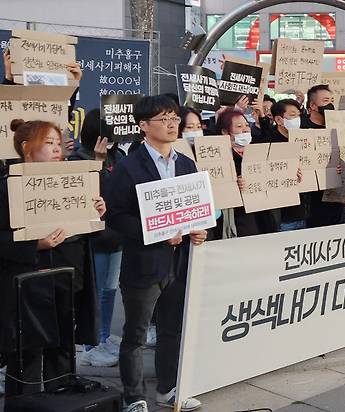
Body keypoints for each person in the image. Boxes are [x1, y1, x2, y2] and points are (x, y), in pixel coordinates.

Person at [105, 95, 206, 412]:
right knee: (135, 335)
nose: (172, 124)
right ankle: (133, 396)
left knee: (172, 330)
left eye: (174, 118)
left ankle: (168, 388)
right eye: (164, 119)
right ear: (143, 126)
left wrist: (199, 229)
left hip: (180, 261)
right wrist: (157, 234)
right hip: (144, 264)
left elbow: (197, 209)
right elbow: (117, 216)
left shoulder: (186, 164)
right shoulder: (128, 167)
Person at [1, 119, 105, 398]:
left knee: (63, 345)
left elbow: (90, 230)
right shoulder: (8, 185)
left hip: (69, 275)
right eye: (48, 143)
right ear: (26, 148)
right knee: (29, 351)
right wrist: (36, 244)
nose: (57, 149)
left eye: (58, 143)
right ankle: (26, 402)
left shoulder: (74, 180)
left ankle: (62, 395)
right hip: (29, 282)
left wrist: (95, 211)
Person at [68, 109, 125, 368]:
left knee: (110, 289)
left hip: (118, 234)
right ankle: (92, 343)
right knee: (97, 290)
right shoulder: (77, 158)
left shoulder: (120, 155)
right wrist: (99, 165)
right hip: (94, 237)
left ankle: (103, 336)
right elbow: (93, 194)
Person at [216, 109, 277, 238]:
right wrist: (233, 183)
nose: (245, 130)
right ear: (225, 132)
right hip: (240, 218)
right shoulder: (221, 159)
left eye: (247, 125)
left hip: (263, 215)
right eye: (239, 126)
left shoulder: (258, 152)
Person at [302, 85, 345, 227]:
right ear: (313, 105)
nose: (330, 105)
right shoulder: (301, 129)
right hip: (311, 200)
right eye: (326, 101)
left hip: (336, 197)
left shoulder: (339, 129)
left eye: (332, 100)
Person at [267, 99, 307, 231]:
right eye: (292, 115)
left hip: (305, 210)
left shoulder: (306, 139)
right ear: (279, 120)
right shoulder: (268, 143)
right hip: (282, 213)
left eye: (298, 115)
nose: (297, 119)